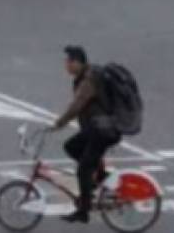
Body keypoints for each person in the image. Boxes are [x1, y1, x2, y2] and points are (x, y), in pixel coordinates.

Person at [51, 45, 119, 225]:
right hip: (96, 129)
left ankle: (83, 211)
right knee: (71, 146)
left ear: (78, 62)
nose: (66, 66)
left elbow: (77, 104)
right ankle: (100, 177)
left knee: (83, 169)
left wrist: (60, 122)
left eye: (68, 62)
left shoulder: (90, 79)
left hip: (103, 130)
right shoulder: (85, 76)